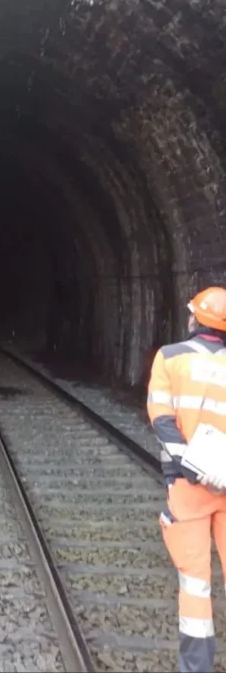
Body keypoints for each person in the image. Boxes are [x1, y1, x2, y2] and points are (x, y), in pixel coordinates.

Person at [147, 287, 226, 673]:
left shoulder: (170, 358)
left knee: (195, 586)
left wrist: (194, 468)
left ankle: (196, 669)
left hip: (189, 488)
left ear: (195, 320)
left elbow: (162, 422)